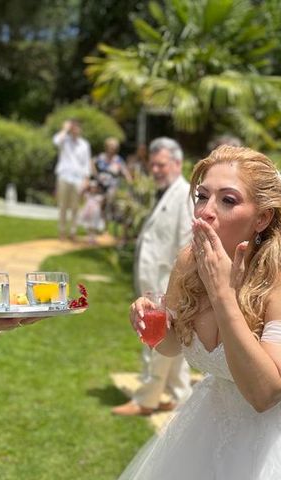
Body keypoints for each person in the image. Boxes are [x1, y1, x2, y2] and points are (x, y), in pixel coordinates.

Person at [119, 145, 281, 479]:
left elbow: (265, 393)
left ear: (262, 217)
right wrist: (150, 325)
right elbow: (172, 345)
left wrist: (222, 294)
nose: (206, 211)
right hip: (216, 422)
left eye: (227, 200)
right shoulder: (191, 261)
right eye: (202, 196)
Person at [112, 137, 193, 417]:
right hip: (155, 283)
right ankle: (177, 395)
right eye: (153, 165)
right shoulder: (168, 192)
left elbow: (187, 243)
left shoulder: (184, 195)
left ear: (177, 163)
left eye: (161, 165)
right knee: (174, 345)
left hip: (166, 285)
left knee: (155, 340)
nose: (156, 170)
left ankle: (145, 400)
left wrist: (176, 288)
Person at [53, 119, 92, 242]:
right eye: (73, 128)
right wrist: (64, 129)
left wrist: (86, 179)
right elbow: (56, 141)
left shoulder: (84, 145)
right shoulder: (64, 140)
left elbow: (86, 163)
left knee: (75, 206)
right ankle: (62, 231)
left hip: (78, 178)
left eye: (77, 128)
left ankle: (73, 231)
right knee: (63, 205)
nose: (75, 130)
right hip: (64, 176)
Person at [77, 178, 106, 244]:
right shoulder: (87, 195)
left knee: (94, 226)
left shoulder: (99, 197)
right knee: (88, 225)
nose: (93, 189)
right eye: (92, 187)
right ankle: (89, 237)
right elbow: (81, 195)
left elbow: (101, 205)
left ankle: (93, 238)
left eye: (95, 188)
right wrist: (84, 187)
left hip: (95, 213)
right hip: (87, 213)